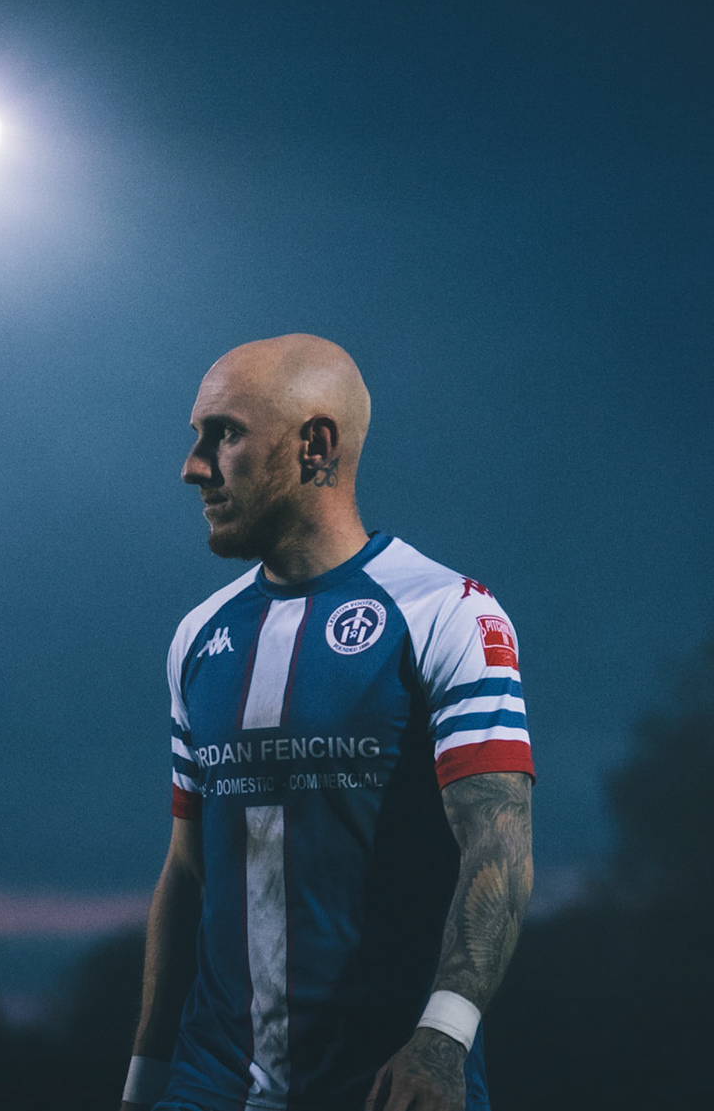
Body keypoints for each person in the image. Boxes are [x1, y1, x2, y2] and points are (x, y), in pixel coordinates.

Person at [122, 335, 535, 1111]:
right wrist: (141, 1086)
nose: (193, 466)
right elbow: (185, 872)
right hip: (209, 1090)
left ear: (316, 445)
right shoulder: (198, 637)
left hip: (391, 1089)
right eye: (197, 437)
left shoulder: (449, 612)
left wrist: (441, 1041)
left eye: (224, 434)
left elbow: (500, 845)